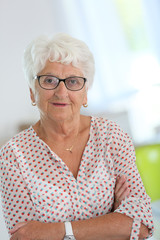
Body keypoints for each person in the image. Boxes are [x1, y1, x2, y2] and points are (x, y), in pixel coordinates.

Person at [0, 33, 154, 240]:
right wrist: (113, 222)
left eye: (73, 81)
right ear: (32, 92)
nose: (61, 92)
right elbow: (25, 236)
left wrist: (57, 230)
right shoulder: (12, 157)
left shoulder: (111, 136)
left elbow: (142, 224)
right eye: (49, 80)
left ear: (85, 93)